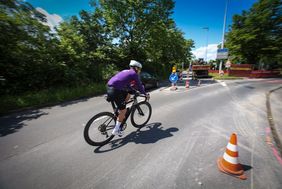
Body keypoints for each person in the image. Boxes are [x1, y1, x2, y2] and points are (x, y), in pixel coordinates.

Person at [107, 60, 149, 136]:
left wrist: (133, 90)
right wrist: (145, 94)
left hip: (110, 87)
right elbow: (139, 85)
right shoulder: (134, 73)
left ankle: (120, 111)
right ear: (136, 68)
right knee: (124, 110)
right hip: (115, 90)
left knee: (127, 95)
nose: (139, 71)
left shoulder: (126, 71)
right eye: (139, 69)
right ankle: (116, 130)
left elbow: (126, 84)